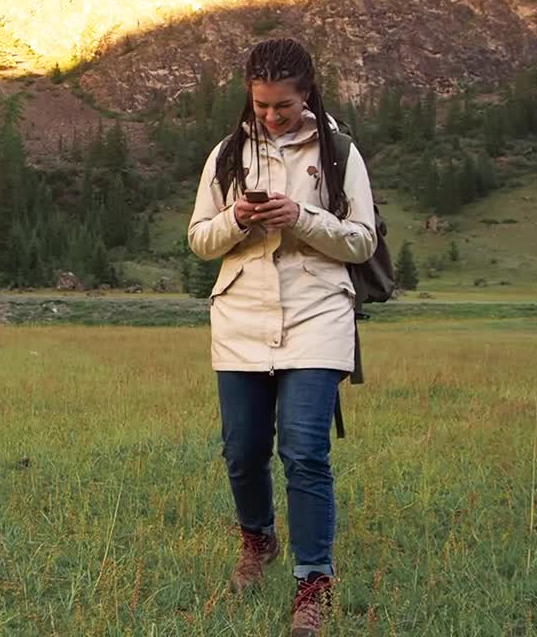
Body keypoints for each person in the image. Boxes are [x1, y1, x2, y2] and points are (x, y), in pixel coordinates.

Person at [187, 38, 377, 637]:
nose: (272, 116)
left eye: (284, 107)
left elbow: (363, 241)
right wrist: (236, 219)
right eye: (262, 105)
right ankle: (258, 541)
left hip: (318, 313)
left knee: (304, 450)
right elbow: (199, 240)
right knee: (242, 449)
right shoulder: (226, 156)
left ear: (307, 94)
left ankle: (313, 584)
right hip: (241, 315)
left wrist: (302, 217)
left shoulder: (341, 152)